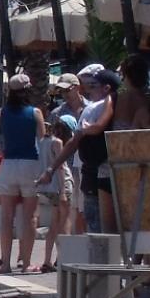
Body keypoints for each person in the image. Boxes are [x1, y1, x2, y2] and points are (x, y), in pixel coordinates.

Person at [0, 72, 46, 273]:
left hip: (7, 164)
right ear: (27, 90)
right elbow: (42, 139)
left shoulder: (1, 113)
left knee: (6, 217)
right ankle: (26, 263)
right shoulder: (35, 113)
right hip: (30, 164)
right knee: (30, 217)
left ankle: (5, 263)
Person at [44, 64, 117, 233]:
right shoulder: (57, 112)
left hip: (89, 168)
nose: (64, 94)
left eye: (92, 85)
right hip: (73, 166)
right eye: (61, 91)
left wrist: (86, 129)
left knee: (88, 214)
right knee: (75, 209)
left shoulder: (92, 107)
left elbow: (87, 133)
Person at [36, 114, 75, 273]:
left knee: (53, 224)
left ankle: (47, 260)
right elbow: (59, 167)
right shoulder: (58, 143)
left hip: (49, 188)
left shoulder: (43, 142)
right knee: (65, 224)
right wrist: (63, 193)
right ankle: (63, 259)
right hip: (61, 184)